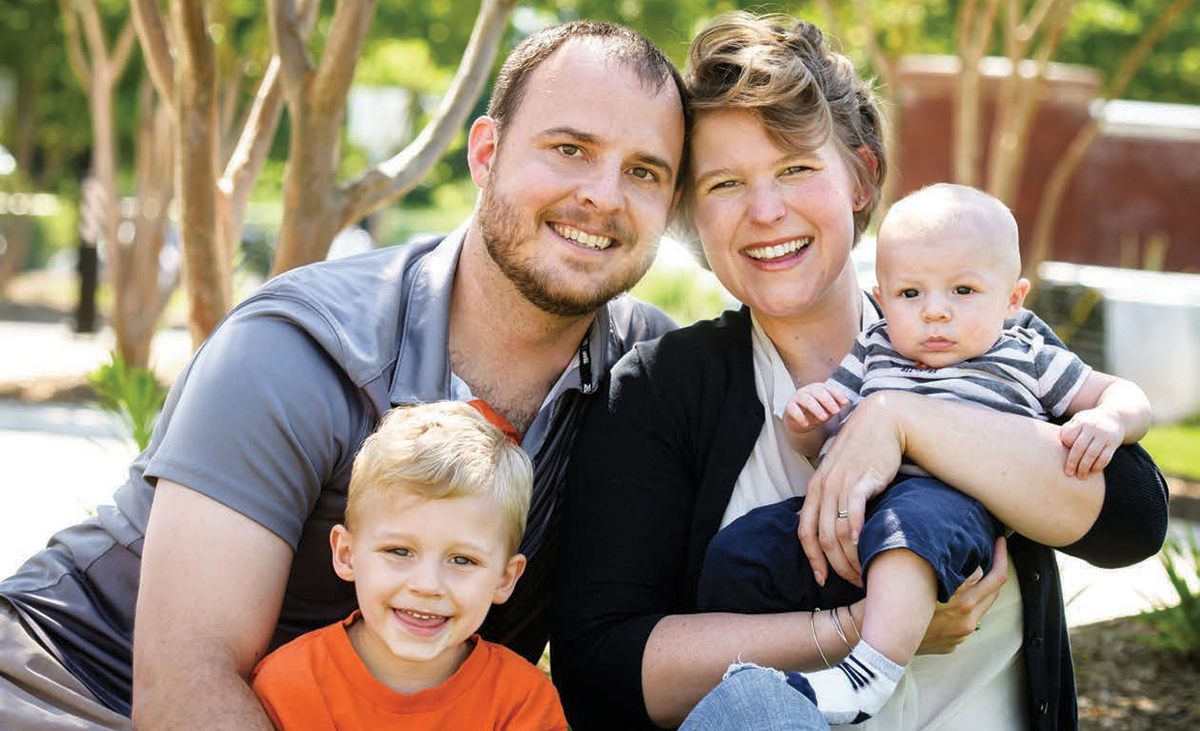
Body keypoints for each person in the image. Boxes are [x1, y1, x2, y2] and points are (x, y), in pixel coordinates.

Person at [0, 21, 685, 731]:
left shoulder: (652, 378)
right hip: (70, 682)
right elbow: (183, 683)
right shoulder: (299, 350)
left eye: (645, 171)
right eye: (570, 149)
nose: (604, 195)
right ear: (486, 154)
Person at [551, 12, 1167, 731]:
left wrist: (903, 420)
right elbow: (602, 667)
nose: (766, 210)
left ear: (861, 178)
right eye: (724, 184)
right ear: (692, 213)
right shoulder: (662, 389)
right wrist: (860, 628)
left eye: (796, 168)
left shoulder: (977, 330)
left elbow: (1132, 520)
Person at [695, 183, 1153, 725]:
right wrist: (808, 421)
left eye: (963, 291)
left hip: (952, 504)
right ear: (882, 297)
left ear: (1012, 299)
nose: (935, 313)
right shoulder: (877, 347)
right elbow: (829, 443)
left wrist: (1109, 418)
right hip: (861, 506)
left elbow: (1123, 395)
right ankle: (748, 679)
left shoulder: (1025, 353)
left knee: (908, 527)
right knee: (738, 550)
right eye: (911, 294)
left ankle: (868, 676)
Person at [250, 402, 568, 730]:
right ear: (347, 554)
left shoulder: (522, 704)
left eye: (462, 560)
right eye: (399, 551)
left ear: (504, 578)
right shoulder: (287, 687)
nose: (427, 585)